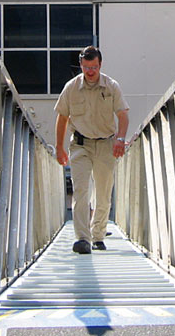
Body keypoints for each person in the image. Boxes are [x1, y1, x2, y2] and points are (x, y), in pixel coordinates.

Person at [54, 46, 129, 254]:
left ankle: (98, 234)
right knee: (81, 190)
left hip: (106, 145)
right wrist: (59, 147)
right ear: (81, 65)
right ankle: (82, 239)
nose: (90, 72)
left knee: (103, 193)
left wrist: (120, 139)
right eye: (86, 67)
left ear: (100, 65)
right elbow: (62, 117)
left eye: (94, 67)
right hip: (80, 145)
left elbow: (123, 115)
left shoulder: (111, 86)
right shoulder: (71, 88)